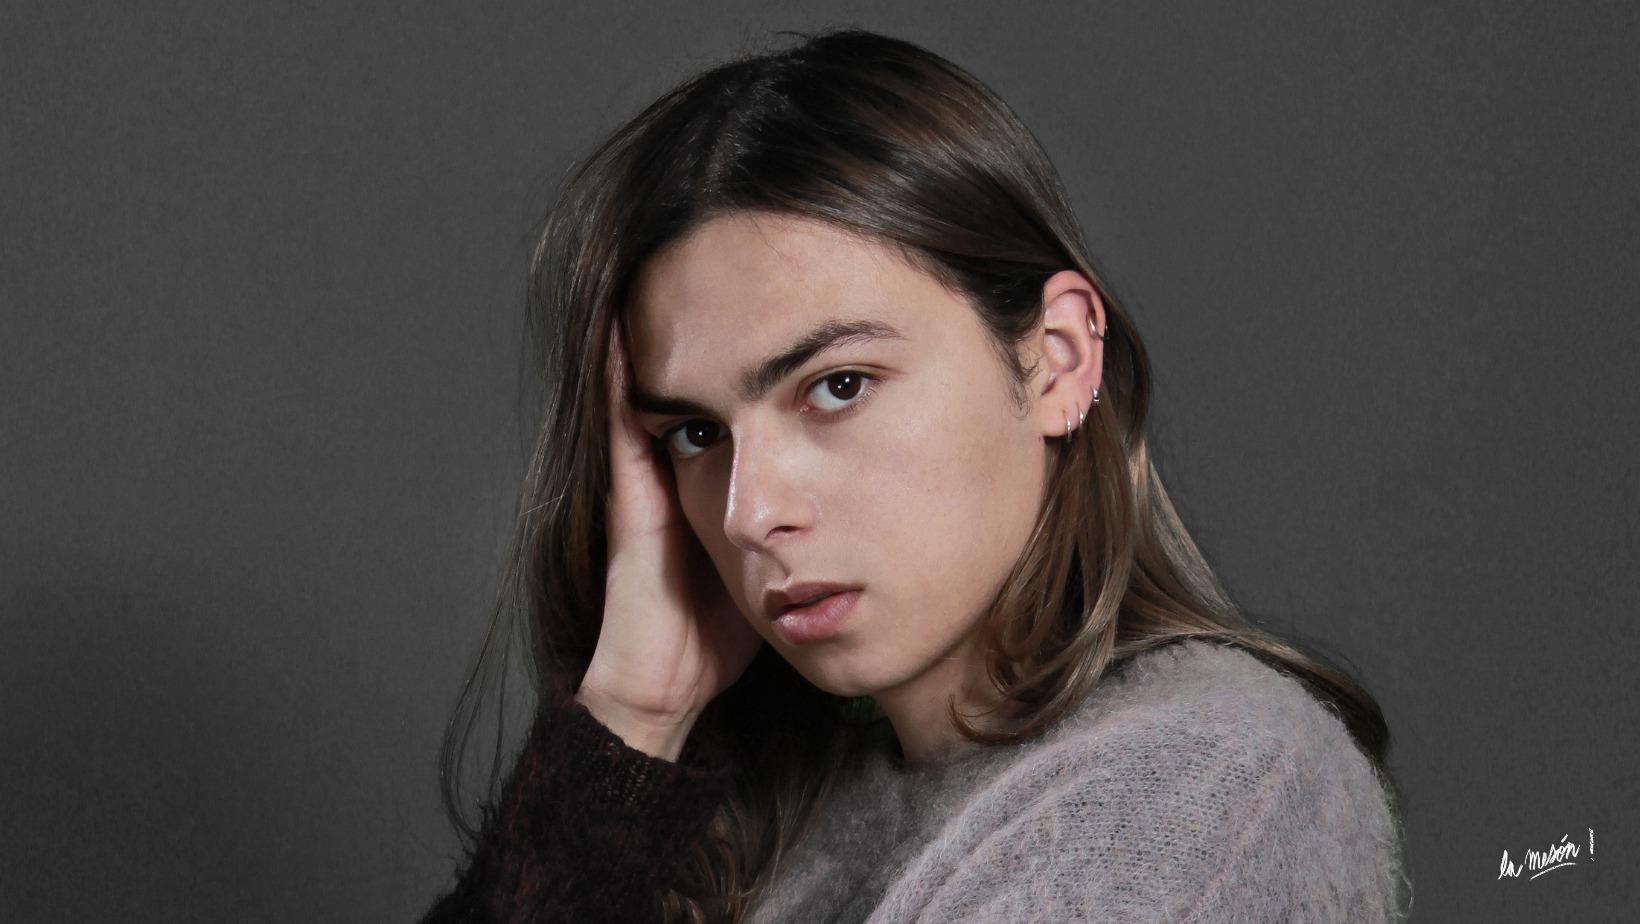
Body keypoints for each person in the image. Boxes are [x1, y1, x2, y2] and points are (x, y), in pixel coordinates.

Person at [422, 29, 1407, 923]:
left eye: (838, 386)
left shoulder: (1203, 790)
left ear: (1058, 360)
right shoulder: (788, 817)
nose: (749, 512)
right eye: (696, 433)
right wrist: (630, 717)